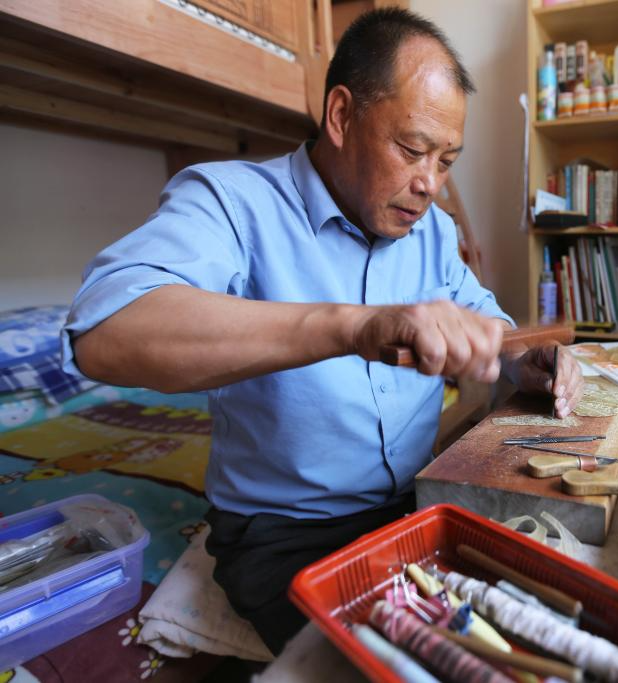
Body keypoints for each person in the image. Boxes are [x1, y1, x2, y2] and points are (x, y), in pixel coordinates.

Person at [61, 8, 583, 654]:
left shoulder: (434, 233)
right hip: (286, 535)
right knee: (420, 662)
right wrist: (351, 326)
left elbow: (484, 319)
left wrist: (520, 359)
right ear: (340, 115)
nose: (429, 184)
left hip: (418, 500)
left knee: (550, 610)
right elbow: (105, 329)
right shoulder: (234, 201)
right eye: (413, 150)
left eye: (446, 160)